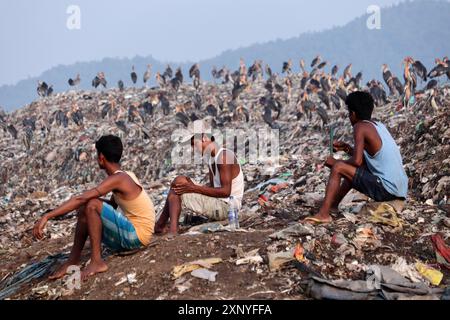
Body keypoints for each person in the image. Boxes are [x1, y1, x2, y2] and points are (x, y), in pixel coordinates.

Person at [33, 135, 155, 280]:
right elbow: (110, 206)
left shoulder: (118, 179)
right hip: (136, 234)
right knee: (88, 206)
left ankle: (97, 262)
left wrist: (47, 216)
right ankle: (72, 261)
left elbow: (82, 198)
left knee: (90, 204)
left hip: (137, 235)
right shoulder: (126, 176)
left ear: (101, 157)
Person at [304, 91, 408, 224]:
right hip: (399, 190)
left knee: (339, 167)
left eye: (348, 113)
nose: (349, 117)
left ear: (353, 114)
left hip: (386, 189)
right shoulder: (378, 126)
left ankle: (324, 214)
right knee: (350, 171)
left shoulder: (360, 127)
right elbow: (366, 161)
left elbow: (357, 161)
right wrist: (347, 148)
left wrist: (335, 162)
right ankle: (333, 206)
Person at [155, 120, 244, 236]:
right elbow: (213, 188)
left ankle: (170, 230)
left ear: (204, 138)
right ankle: (161, 226)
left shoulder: (224, 157)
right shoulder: (211, 158)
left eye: (194, 144)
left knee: (177, 191)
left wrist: (193, 188)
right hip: (219, 202)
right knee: (179, 181)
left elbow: (225, 192)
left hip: (228, 208)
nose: (193, 148)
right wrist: (192, 187)